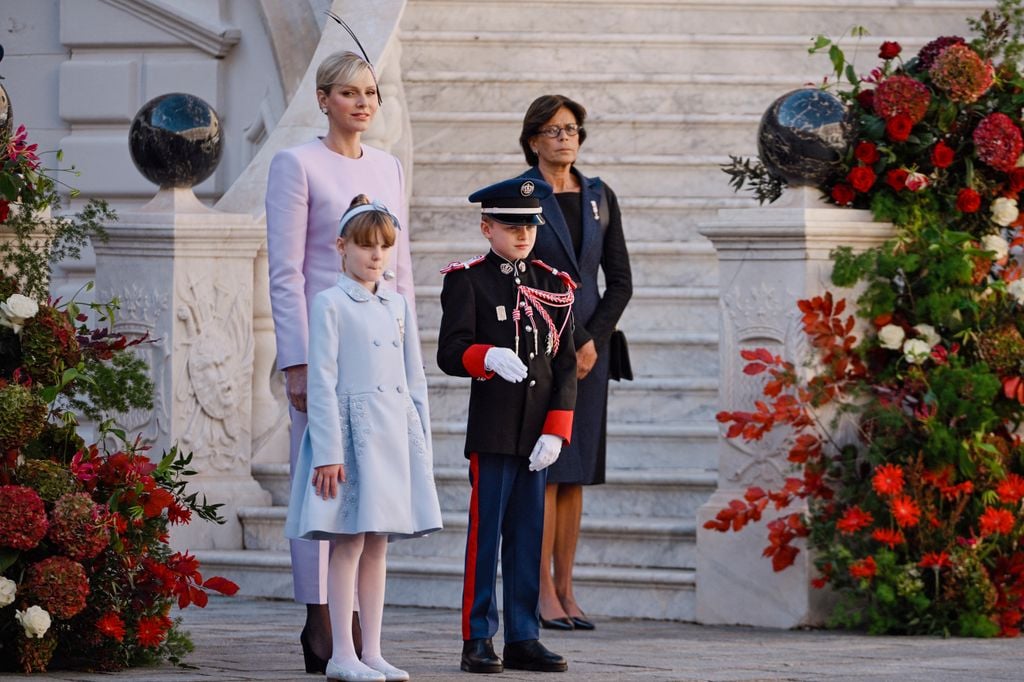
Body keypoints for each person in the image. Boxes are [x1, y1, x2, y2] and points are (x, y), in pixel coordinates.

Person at [265, 50, 415, 673]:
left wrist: (407, 360)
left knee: (371, 488)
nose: (362, 103)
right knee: (319, 483)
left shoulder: (389, 166)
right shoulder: (295, 163)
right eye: (348, 92)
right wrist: (295, 361)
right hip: (324, 349)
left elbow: (400, 269)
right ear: (323, 98)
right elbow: (286, 271)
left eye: (371, 93)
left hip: (378, 353)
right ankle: (320, 616)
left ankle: (362, 628)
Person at [285, 196, 442, 682]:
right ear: (342, 247)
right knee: (348, 540)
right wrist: (329, 452)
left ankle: (372, 650)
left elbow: (414, 377)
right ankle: (342, 655)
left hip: (393, 433)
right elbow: (324, 382)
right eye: (366, 246)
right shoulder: (330, 303)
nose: (376, 256)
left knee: (379, 543)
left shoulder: (396, 303)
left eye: (384, 247)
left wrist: (422, 445)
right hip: (350, 436)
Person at [437, 177, 577, 674]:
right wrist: (487, 354)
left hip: (537, 433)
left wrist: (558, 429)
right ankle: (477, 636)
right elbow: (450, 353)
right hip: (495, 431)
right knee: (486, 536)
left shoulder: (554, 284)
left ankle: (523, 636)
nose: (522, 234)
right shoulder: (468, 281)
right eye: (510, 224)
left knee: (527, 535)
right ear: (486, 227)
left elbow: (565, 366)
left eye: (529, 224)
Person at [517, 95, 633, 631]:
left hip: (593, 355)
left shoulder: (598, 194)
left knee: (575, 475)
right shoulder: (520, 195)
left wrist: (594, 339)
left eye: (572, 129)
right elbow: (527, 272)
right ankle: (539, 590)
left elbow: (620, 280)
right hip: (542, 344)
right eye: (554, 129)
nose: (565, 137)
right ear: (533, 139)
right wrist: (576, 337)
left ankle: (566, 587)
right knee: (545, 469)